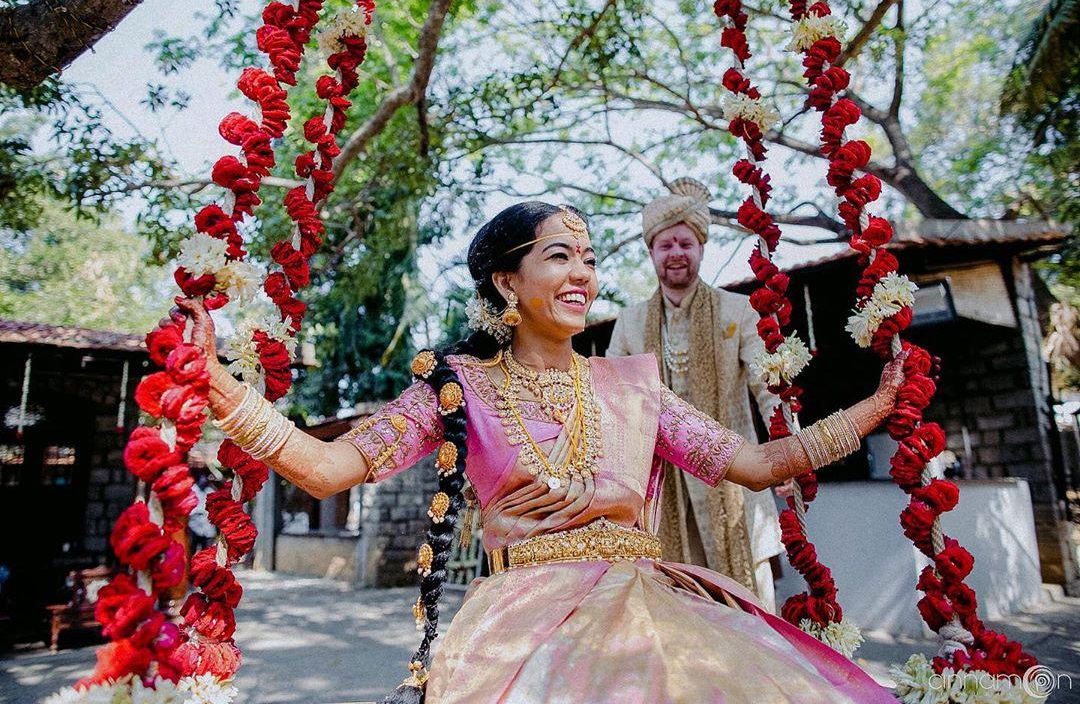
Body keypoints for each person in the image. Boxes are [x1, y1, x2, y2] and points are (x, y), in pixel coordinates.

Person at [181, 201, 905, 703]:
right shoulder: (458, 386)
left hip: (649, 612)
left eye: (588, 258)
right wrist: (215, 385)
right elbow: (326, 467)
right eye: (559, 256)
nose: (583, 274)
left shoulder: (635, 387)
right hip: (521, 630)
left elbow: (759, 465)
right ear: (506, 280)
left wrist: (874, 408)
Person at [606, 177, 784, 611]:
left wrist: (787, 452)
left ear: (701, 248)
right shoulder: (629, 324)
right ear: (651, 253)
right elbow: (610, 405)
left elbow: (768, 387)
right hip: (662, 490)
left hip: (735, 480)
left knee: (751, 604)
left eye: (685, 243)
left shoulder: (736, 310)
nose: (676, 254)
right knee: (675, 605)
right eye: (666, 246)